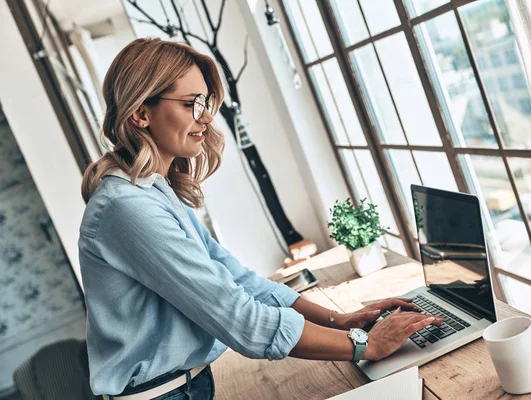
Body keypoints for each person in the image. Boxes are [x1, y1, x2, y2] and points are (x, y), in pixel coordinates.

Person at [78, 38, 442, 400]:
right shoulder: (127, 209)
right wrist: (366, 345)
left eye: (205, 102)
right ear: (141, 113)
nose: (206, 117)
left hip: (187, 386)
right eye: (191, 104)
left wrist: (339, 321)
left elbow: (239, 280)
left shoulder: (153, 192)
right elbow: (242, 321)